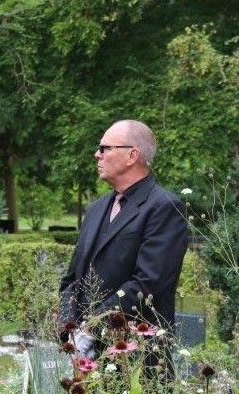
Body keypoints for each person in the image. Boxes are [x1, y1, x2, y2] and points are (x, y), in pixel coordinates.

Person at [59, 119, 188, 356]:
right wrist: (69, 329)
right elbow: (72, 278)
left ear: (132, 156)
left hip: (136, 353)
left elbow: (148, 282)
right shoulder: (96, 209)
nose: (97, 155)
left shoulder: (165, 207)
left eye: (105, 148)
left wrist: (91, 329)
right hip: (82, 354)